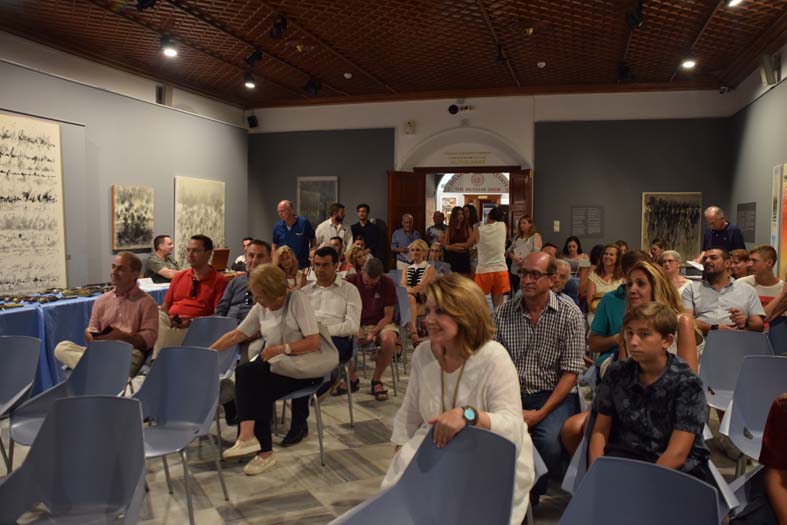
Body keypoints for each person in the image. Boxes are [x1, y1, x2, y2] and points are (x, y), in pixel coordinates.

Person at [384, 274, 535, 525]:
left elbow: (512, 426)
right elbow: (409, 413)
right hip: (438, 450)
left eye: (440, 312)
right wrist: (402, 457)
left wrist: (467, 414)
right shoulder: (423, 354)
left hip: (488, 457)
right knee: (398, 501)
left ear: (465, 315)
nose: (428, 319)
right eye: (428, 310)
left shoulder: (493, 357)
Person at [210, 265, 325, 474]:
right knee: (246, 373)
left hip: (304, 368)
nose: (256, 300)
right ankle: (251, 442)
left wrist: (281, 349)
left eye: (260, 296)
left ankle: (260, 448)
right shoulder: (261, 306)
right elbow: (238, 334)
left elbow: (313, 342)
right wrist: (208, 353)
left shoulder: (297, 301)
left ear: (274, 293)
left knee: (255, 384)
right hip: (278, 365)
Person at [493, 252, 585, 500]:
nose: (527, 280)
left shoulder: (570, 314)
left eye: (535, 275)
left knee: (549, 443)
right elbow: (493, 365)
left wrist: (539, 414)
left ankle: (531, 495)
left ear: (552, 279)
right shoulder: (503, 313)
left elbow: (570, 374)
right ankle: (507, 493)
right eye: (524, 273)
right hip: (512, 391)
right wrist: (510, 404)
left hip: (554, 394)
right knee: (492, 435)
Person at [588, 302, 711, 482]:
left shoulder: (687, 383)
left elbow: (677, 454)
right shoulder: (617, 372)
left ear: (666, 341)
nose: (633, 342)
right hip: (625, 458)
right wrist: (596, 473)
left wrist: (642, 485)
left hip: (670, 471)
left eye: (644, 334)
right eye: (630, 333)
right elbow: (600, 430)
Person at [54, 252, 158, 377]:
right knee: (62, 348)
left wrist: (122, 336)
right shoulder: (101, 301)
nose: (114, 272)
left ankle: (100, 371)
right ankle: (107, 372)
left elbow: (148, 341)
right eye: (113, 267)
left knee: (129, 358)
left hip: (128, 352)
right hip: (103, 351)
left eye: (120, 269)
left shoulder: (147, 302)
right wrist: (90, 334)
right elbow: (92, 329)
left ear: (135, 274)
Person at [302, 245, 361, 401]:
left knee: (311, 352)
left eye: (325, 265)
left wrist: (322, 331)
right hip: (309, 338)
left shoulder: (350, 290)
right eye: (317, 265)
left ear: (336, 265)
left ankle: (323, 381)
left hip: (338, 340)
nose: (320, 270)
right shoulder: (305, 292)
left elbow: (352, 326)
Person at [156, 235, 228, 356]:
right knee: (158, 316)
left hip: (195, 327)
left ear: (208, 253)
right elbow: (165, 307)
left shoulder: (219, 281)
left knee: (167, 334)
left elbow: (217, 316)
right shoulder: (179, 277)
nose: (190, 254)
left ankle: (156, 361)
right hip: (172, 323)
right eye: (188, 250)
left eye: (195, 251)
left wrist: (192, 322)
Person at [341, 258, 398, 401]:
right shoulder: (351, 282)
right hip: (356, 321)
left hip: (380, 322)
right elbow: (344, 312)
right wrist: (356, 328)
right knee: (340, 338)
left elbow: (388, 315)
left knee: (389, 339)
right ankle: (351, 378)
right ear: (362, 272)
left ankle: (377, 380)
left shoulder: (388, 284)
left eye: (374, 283)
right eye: (367, 282)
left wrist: (374, 331)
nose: (369, 285)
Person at [588, 250, 650, 368]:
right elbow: (593, 344)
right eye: (631, 279)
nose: (634, 288)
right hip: (614, 360)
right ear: (624, 275)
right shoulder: (610, 300)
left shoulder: (657, 299)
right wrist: (617, 339)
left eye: (641, 281)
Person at [682, 248, 765, 335]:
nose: (707, 261)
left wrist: (745, 323)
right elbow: (685, 322)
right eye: (705, 259)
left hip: (736, 338)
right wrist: (714, 328)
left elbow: (759, 326)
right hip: (703, 340)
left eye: (713, 258)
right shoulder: (691, 289)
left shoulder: (747, 290)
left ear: (727, 263)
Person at [216, 240, 271, 322]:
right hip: (229, 325)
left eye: (260, 256)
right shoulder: (235, 282)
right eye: (251, 255)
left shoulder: (273, 284)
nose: (254, 261)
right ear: (245, 257)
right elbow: (221, 309)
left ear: (269, 259)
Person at [472, 206, 510, 307]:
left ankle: (483, 317)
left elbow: (468, 244)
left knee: (479, 303)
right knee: (499, 305)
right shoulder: (503, 226)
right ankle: (498, 317)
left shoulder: (479, 230)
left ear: (489, 216)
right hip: (500, 269)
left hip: (483, 269)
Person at [739, 245, 786, 324]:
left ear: (769, 263)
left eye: (754, 261)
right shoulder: (741, 284)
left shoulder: (783, 288)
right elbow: (761, 319)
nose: (749, 264)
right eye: (749, 260)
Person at [400, 239, 436, 344]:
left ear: (424, 252)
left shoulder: (429, 269)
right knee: (409, 299)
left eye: (418, 250)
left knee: (409, 299)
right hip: (409, 299)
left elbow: (422, 286)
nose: (415, 252)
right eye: (413, 250)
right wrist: (409, 291)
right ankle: (414, 332)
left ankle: (411, 332)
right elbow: (403, 285)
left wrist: (409, 290)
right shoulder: (406, 268)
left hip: (423, 298)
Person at [271, 199, 316, 269]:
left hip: (302, 264)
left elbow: (313, 239)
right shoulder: (277, 226)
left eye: (282, 211)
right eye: (278, 212)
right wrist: (275, 262)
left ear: (290, 210)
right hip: (284, 266)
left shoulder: (303, 223)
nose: (280, 214)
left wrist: (312, 255)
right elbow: (274, 245)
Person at [508, 215, 542, 294]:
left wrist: (524, 260)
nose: (521, 225)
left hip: (528, 269)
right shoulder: (517, 237)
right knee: (516, 292)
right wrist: (514, 258)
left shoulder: (535, 236)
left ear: (530, 224)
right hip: (515, 269)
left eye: (524, 223)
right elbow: (509, 251)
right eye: (520, 223)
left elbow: (536, 253)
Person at [586, 244, 624, 314]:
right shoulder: (593, 275)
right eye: (606, 254)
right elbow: (590, 302)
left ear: (617, 258)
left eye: (611, 254)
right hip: (596, 313)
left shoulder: (623, 277)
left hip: (616, 313)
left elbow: (624, 301)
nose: (607, 256)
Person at [443, 206, 472, 276]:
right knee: (452, 279)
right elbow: (446, 246)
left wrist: (455, 245)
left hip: (464, 257)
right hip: (452, 257)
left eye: (462, 214)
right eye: (459, 214)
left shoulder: (467, 228)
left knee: (464, 279)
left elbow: (470, 243)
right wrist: (452, 247)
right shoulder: (449, 229)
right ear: (454, 216)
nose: (461, 216)